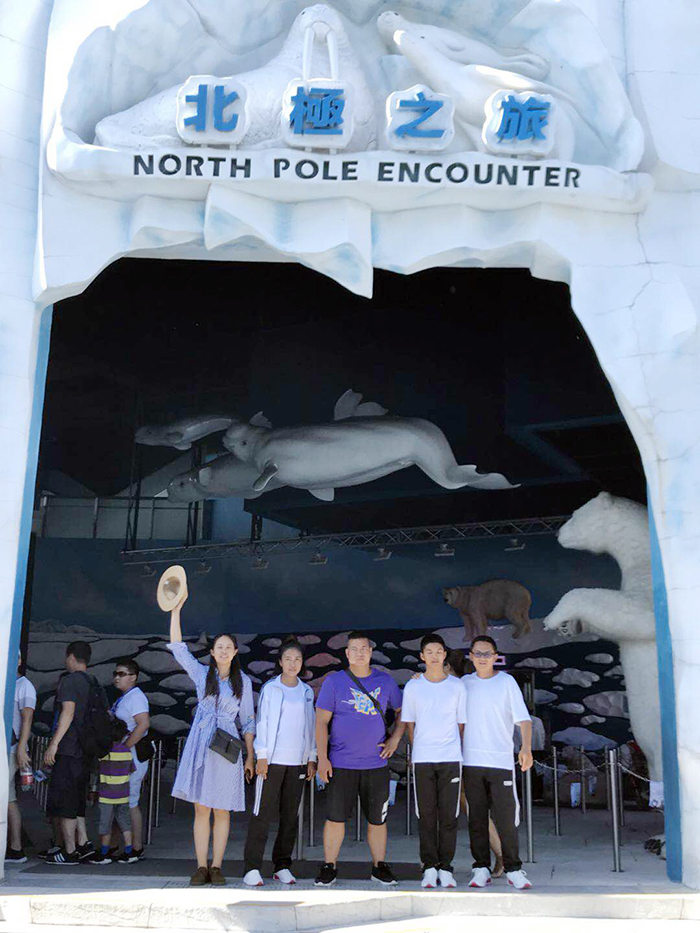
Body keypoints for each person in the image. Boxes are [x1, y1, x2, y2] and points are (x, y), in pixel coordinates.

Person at [167, 593, 255, 887]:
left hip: (227, 747)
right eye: (220, 647)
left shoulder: (244, 682)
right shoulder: (202, 674)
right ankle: (201, 866)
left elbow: (249, 721)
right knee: (201, 808)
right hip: (202, 744)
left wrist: (251, 755)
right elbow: (179, 650)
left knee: (222, 808)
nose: (224, 651)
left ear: (235, 651)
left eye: (229, 647)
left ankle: (217, 866)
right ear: (213, 652)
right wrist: (175, 611)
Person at [315, 630, 403, 887]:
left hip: (376, 764)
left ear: (371, 651)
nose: (360, 653)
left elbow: (402, 713)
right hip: (341, 764)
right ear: (347, 653)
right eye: (354, 649)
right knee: (335, 818)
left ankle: (379, 866)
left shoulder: (385, 681)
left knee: (378, 819)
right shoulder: (334, 681)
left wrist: (395, 739)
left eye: (364, 648)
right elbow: (321, 722)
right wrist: (322, 758)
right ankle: (329, 866)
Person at [243, 637, 317, 886]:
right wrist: (261, 755)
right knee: (262, 814)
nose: (293, 663)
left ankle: (282, 865)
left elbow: (311, 726)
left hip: (297, 762)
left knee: (290, 816)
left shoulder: (306, 691)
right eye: (288, 659)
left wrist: (311, 757)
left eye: (297, 659)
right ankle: (252, 867)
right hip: (271, 762)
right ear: (280, 662)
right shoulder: (271, 689)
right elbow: (262, 721)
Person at [461, 635, 533, 890]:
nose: (482, 658)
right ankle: (481, 868)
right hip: (470, 761)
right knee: (477, 818)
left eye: (487, 653)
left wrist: (526, 748)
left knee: (506, 819)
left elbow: (524, 719)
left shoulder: (506, 682)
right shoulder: (463, 684)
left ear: (495, 656)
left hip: (500, 761)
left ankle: (514, 868)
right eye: (477, 653)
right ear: (470, 656)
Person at [400, 634, 467, 889]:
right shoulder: (413, 686)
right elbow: (410, 723)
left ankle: (446, 867)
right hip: (423, 759)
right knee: (426, 815)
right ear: (422, 656)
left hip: (450, 758)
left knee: (449, 815)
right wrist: (418, 749)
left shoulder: (457, 686)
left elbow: (461, 723)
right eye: (429, 651)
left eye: (439, 651)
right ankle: (429, 867)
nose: (435, 655)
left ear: (445, 654)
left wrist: (451, 746)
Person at [43, 641, 98, 865]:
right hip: (86, 750)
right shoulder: (93, 682)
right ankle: (83, 843)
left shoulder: (69, 681)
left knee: (65, 800)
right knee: (77, 799)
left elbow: (68, 712)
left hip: (69, 749)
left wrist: (54, 744)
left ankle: (69, 851)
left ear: (72, 657)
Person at [110, 657, 150, 861]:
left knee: (130, 801)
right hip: (125, 755)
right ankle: (116, 845)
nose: (117, 678)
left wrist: (125, 748)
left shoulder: (136, 698)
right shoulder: (127, 697)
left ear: (133, 677)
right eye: (115, 674)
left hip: (132, 755)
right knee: (121, 801)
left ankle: (136, 847)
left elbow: (143, 724)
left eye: (122, 674)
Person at [87, 719, 134, 865]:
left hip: (106, 795)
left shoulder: (104, 753)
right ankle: (129, 852)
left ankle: (104, 853)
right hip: (123, 794)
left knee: (105, 824)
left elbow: (96, 773)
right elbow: (131, 769)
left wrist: (92, 791)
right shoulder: (127, 751)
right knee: (125, 823)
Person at [6, 651, 36, 863]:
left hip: (11, 748)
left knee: (7, 797)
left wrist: (22, 748)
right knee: (8, 798)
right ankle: (14, 848)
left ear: (19, 661)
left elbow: (27, 718)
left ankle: (16, 848)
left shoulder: (25, 685)